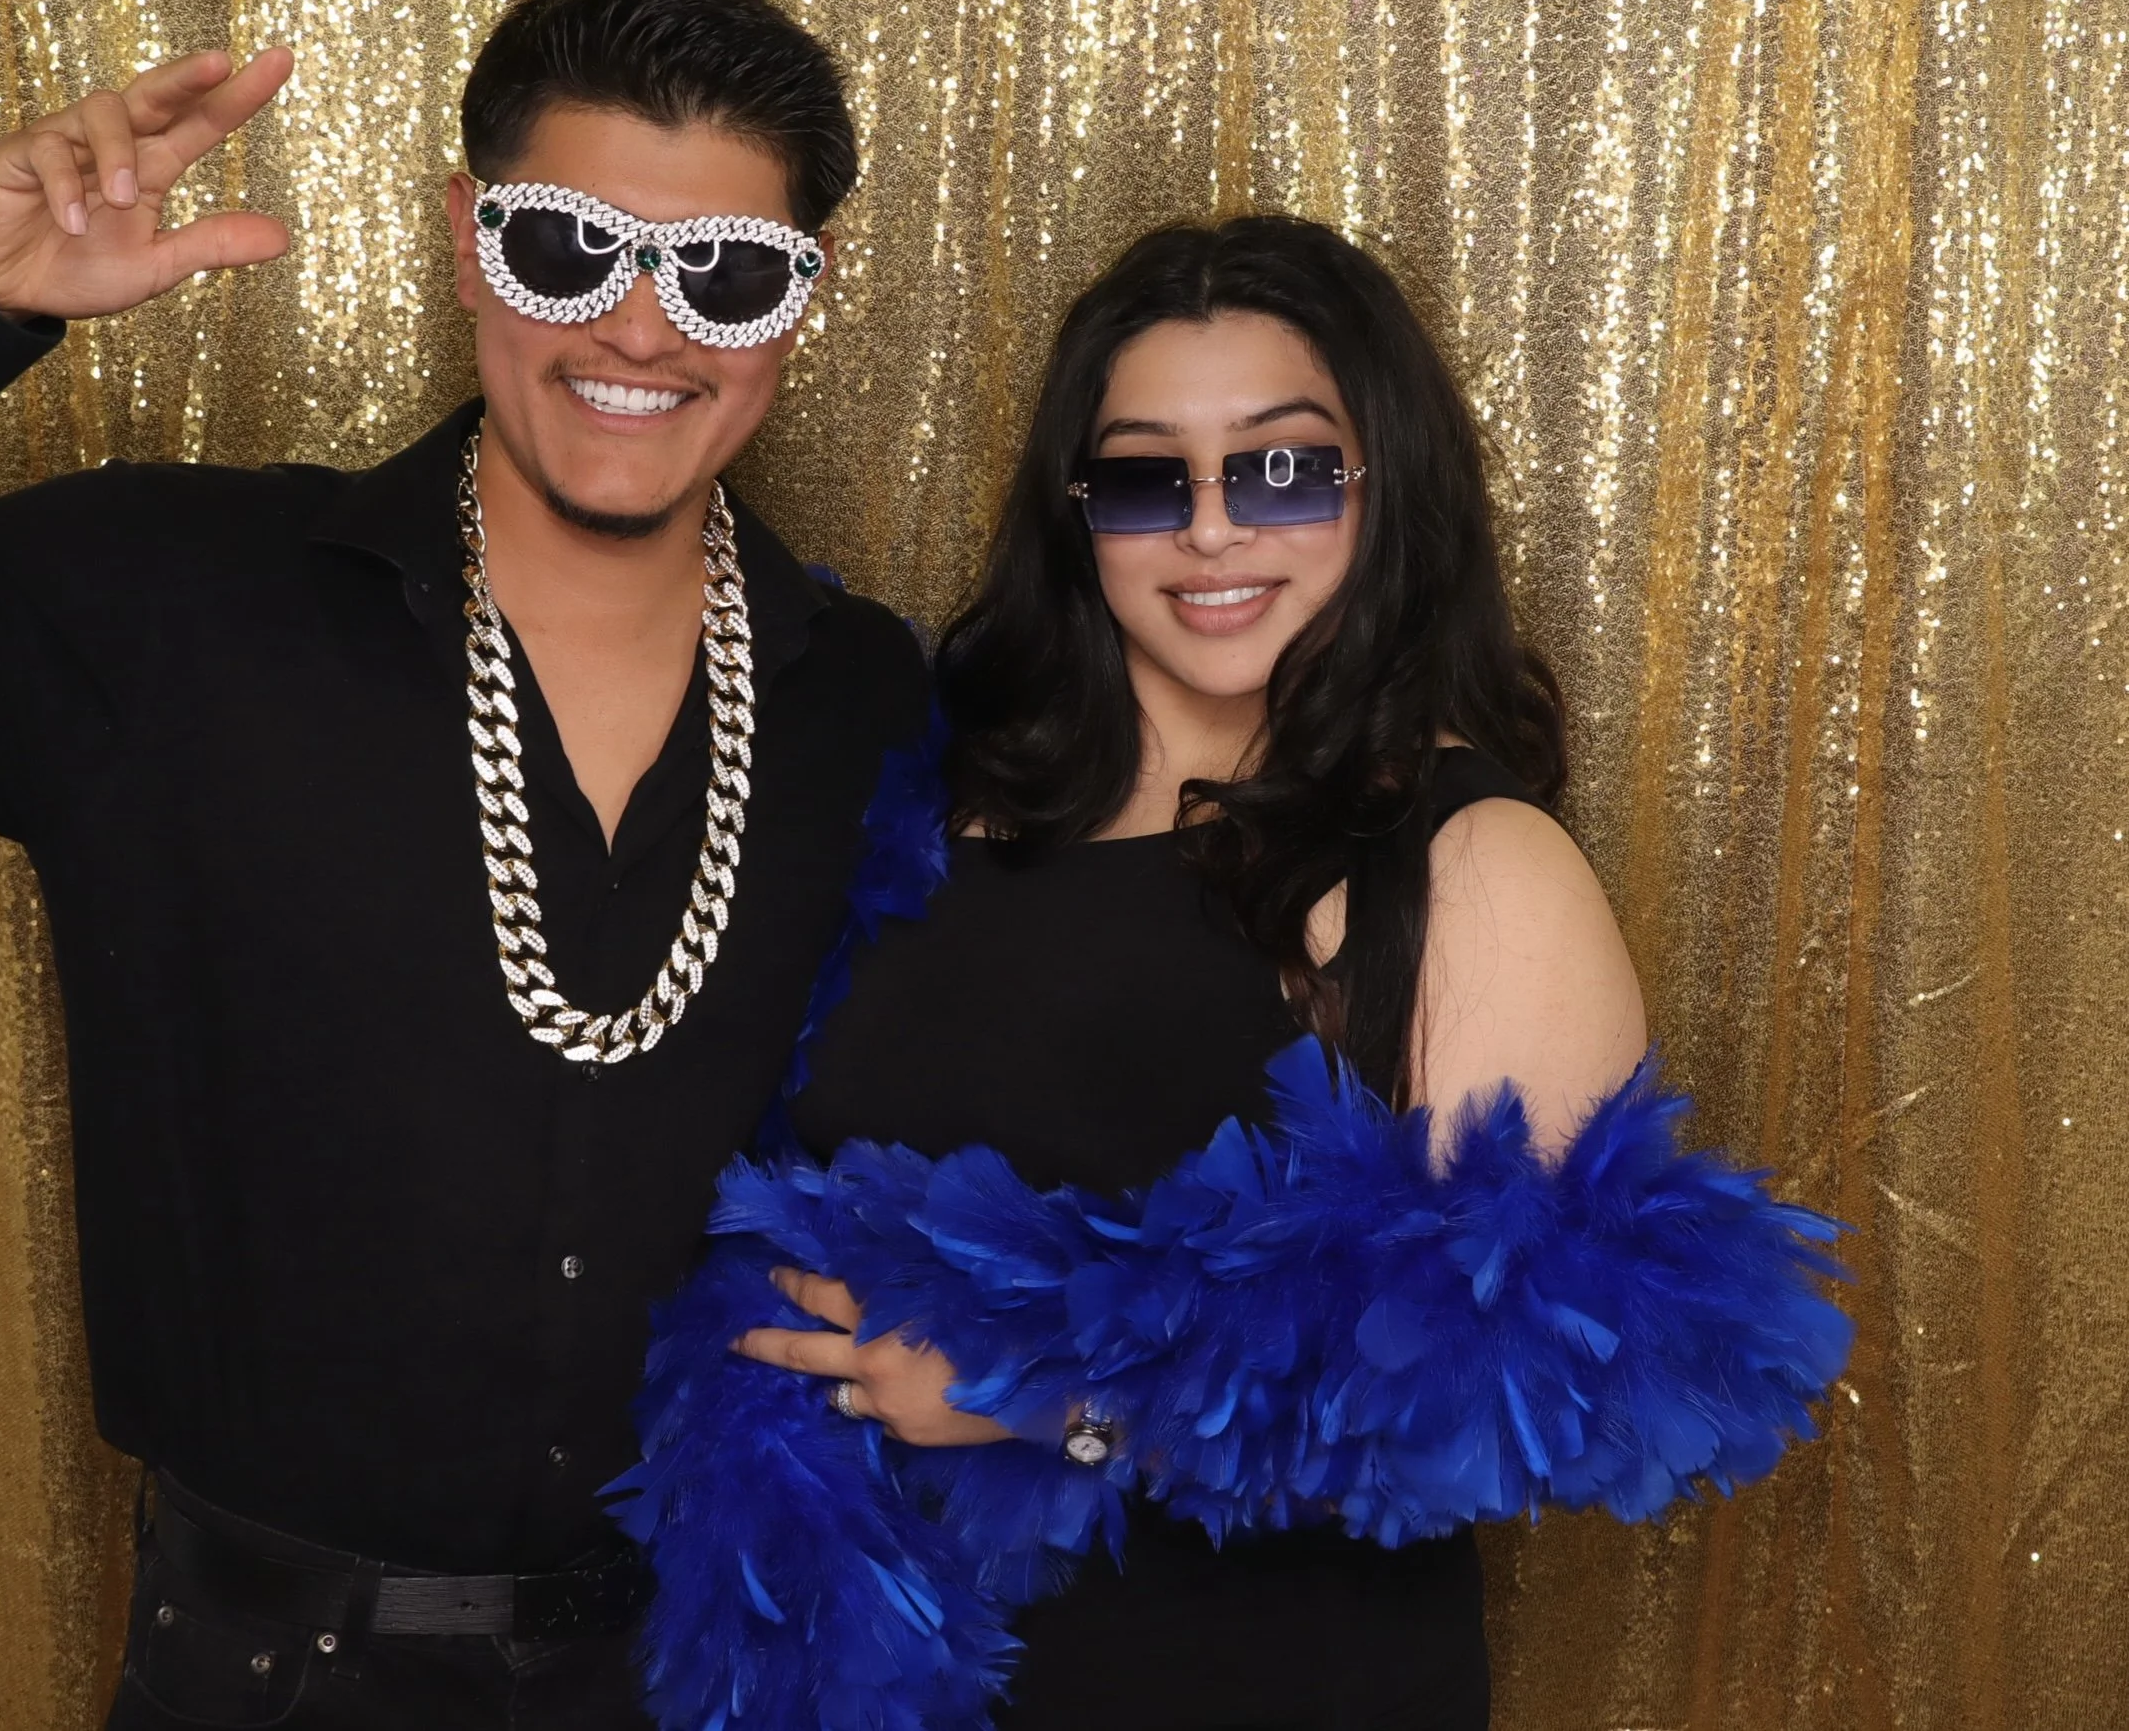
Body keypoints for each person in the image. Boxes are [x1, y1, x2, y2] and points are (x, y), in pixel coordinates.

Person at [616, 216, 1851, 1729]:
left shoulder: (1468, 866)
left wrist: (1054, 1404)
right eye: (1149, 481)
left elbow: (1515, 1392)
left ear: (1383, 487)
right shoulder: (945, 805)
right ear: (1081, 517)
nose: (1211, 530)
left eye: (1282, 471)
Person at [0, 0, 928, 1727]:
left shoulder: (873, 702)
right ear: (466, 237)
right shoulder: (161, 608)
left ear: (798, 302)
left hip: (718, 1667)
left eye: (723, 273)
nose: (638, 329)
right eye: (567, 248)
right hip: (264, 1677)